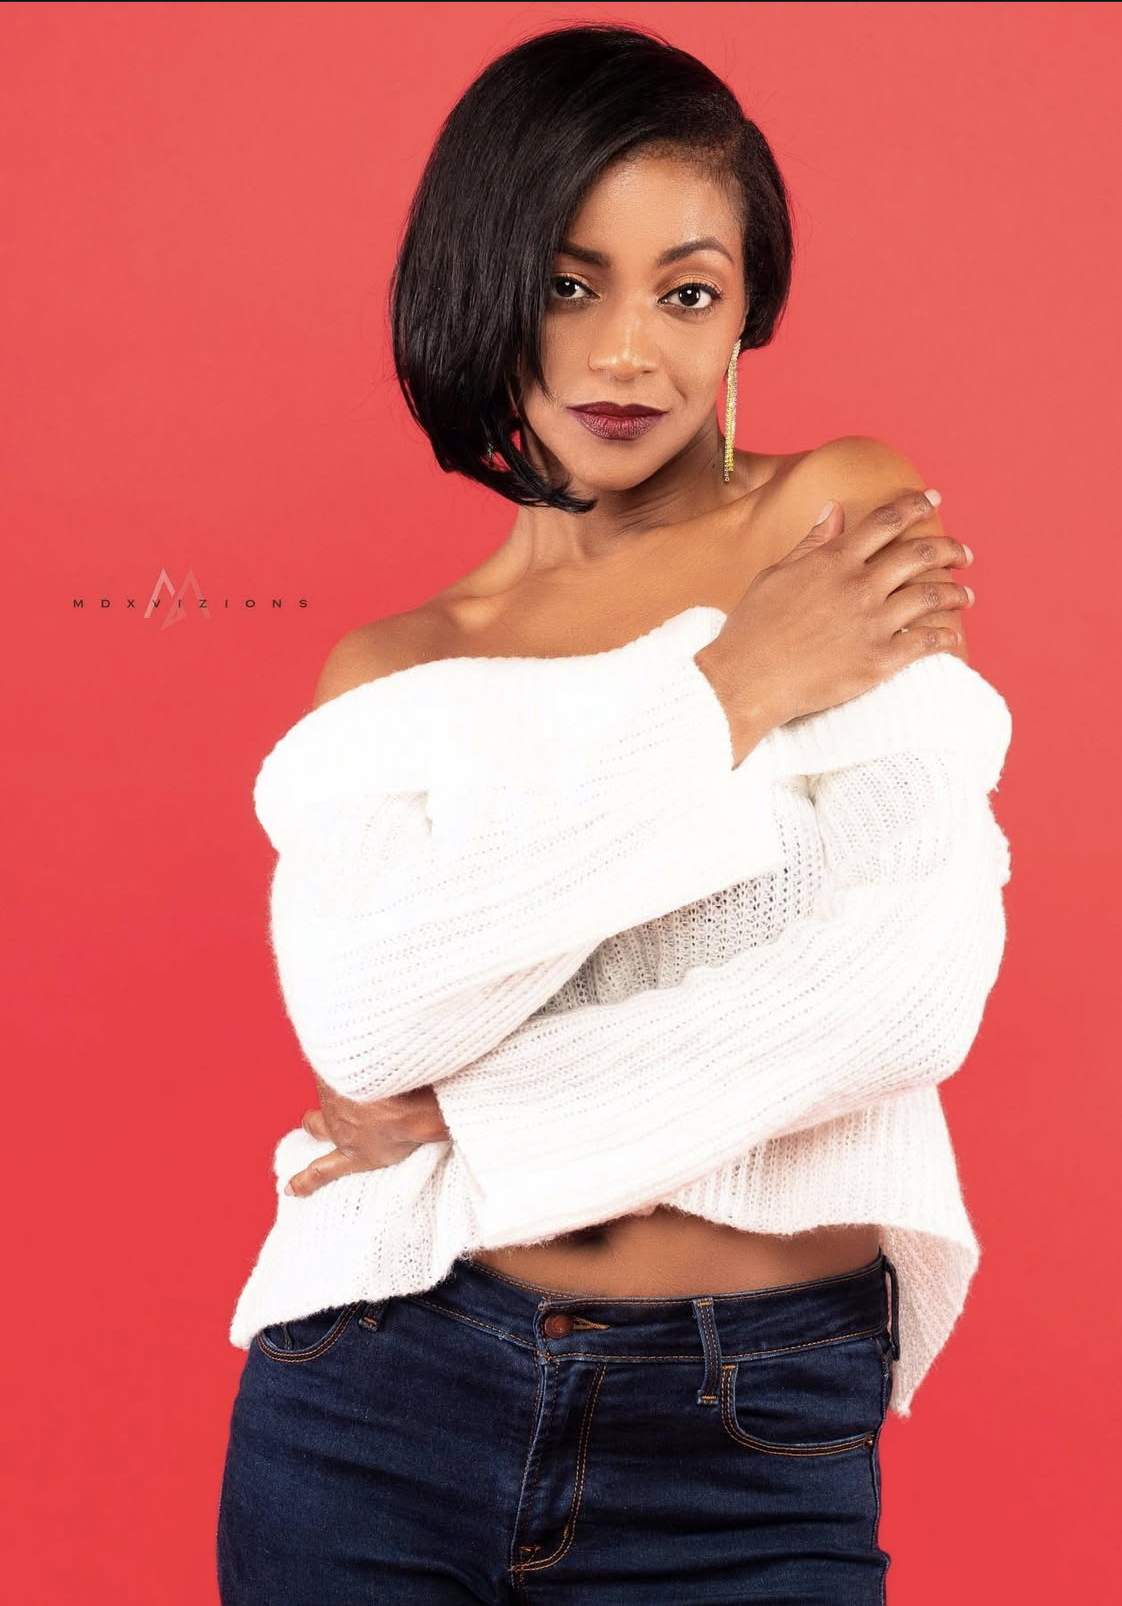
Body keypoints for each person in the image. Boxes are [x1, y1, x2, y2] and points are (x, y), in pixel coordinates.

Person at [216, 21, 1012, 1605]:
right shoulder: (392, 667)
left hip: (746, 1434)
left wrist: (481, 1112)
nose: (628, 352)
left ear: (744, 319)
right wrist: (733, 694)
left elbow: (900, 987)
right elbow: (370, 1026)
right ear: (484, 284)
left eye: (687, 291)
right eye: (572, 284)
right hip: (377, 1401)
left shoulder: (829, 522)